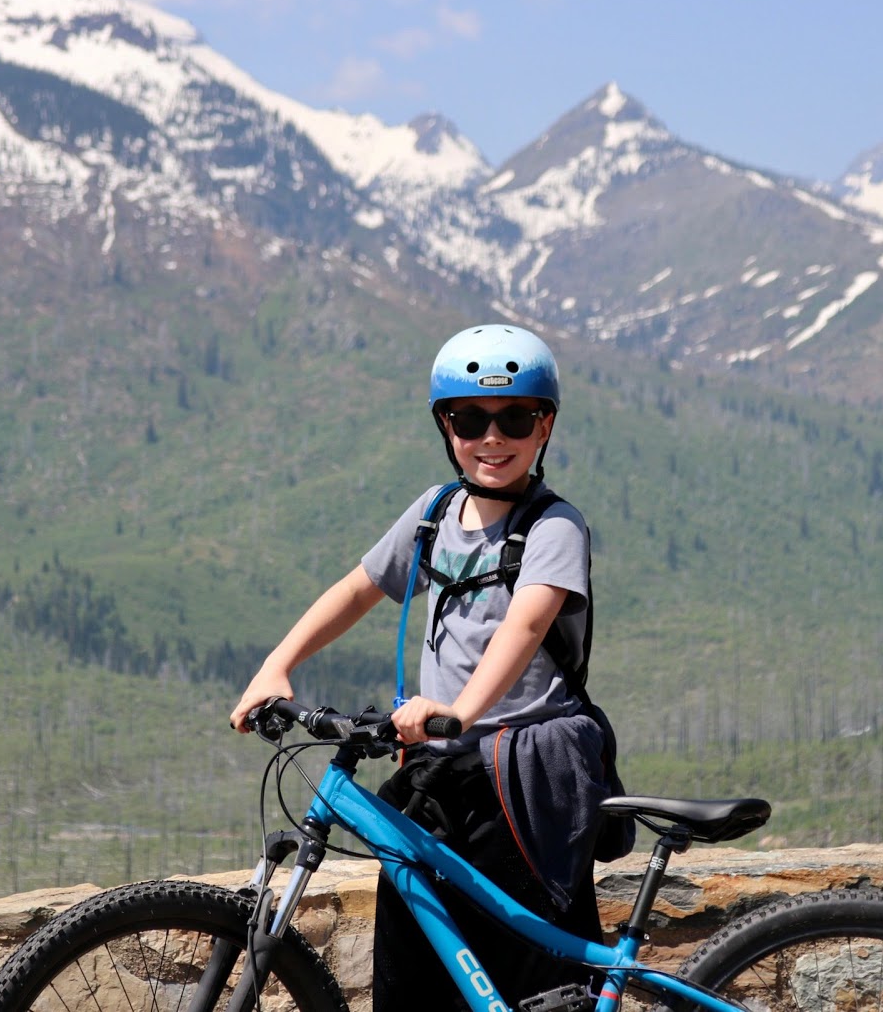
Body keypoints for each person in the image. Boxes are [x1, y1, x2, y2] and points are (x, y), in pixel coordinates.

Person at [229, 324, 612, 1010]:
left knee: (534, 971)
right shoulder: (434, 513)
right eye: (470, 419)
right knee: (417, 969)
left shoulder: (554, 528)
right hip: (440, 773)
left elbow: (525, 626)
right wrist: (277, 663)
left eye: (514, 418)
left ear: (544, 425)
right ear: (446, 424)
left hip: (523, 782)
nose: (492, 437)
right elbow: (358, 588)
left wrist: (459, 709)